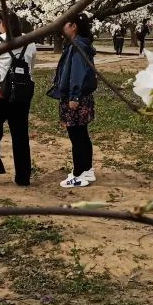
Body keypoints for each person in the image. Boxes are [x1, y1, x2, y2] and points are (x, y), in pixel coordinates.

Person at [0, 10, 36, 186]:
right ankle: (23, 176)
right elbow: (32, 65)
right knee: (20, 135)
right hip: (21, 96)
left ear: (2, 23)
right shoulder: (29, 42)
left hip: (0, 94)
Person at [50, 13, 98, 188]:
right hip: (82, 96)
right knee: (82, 135)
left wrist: (74, 96)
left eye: (66, 25)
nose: (63, 28)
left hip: (76, 97)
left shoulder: (77, 46)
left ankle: (78, 174)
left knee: (76, 136)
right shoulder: (82, 44)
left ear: (74, 26)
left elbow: (77, 73)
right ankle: (87, 169)